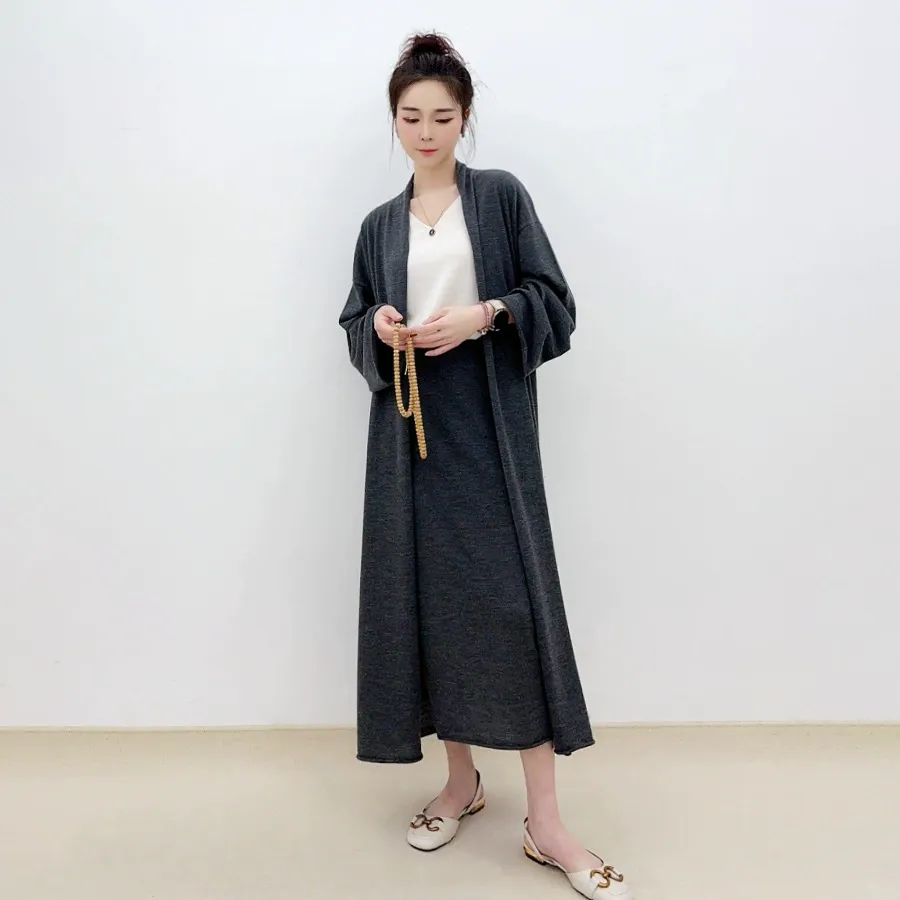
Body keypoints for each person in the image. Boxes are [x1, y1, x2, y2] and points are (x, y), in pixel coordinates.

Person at [338, 32, 633, 900]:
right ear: (394, 123)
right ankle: (461, 782)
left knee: (513, 607)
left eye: (441, 116)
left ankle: (545, 822)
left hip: (489, 427)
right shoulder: (378, 225)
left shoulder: (500, 197)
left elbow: (554, 302)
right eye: (410, 117)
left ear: (465, 120)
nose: (425, 131)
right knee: (427, 606)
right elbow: (353, 319)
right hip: (408, 437)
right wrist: (380, 326)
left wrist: (486, 315)